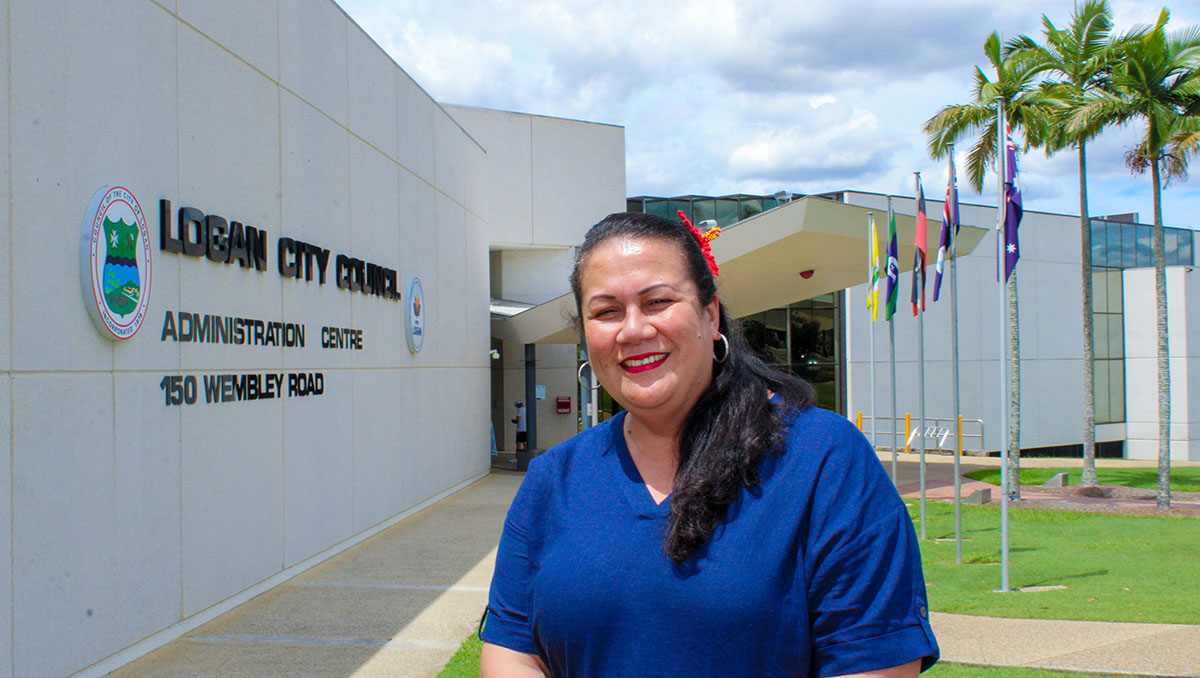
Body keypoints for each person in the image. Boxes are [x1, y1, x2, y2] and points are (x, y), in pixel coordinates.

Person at [479, 212, 938, 677]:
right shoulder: (554, 478)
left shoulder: (824, 460)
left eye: (657, 301)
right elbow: (513, 650)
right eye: (606, 311)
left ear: (710, 313)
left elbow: (873, 662)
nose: (633, 330)